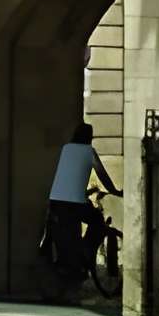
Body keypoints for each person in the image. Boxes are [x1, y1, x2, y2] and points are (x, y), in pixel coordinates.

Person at [45, 120, 120, 282]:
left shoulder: (66, 149)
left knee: (68, 233)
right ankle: (86, 250)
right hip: (74, 204)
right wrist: (115, 191)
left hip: (56, 202)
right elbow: (102, 175)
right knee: (97, 220)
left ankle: (72, 264)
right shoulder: (89, 152)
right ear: (89, 137)